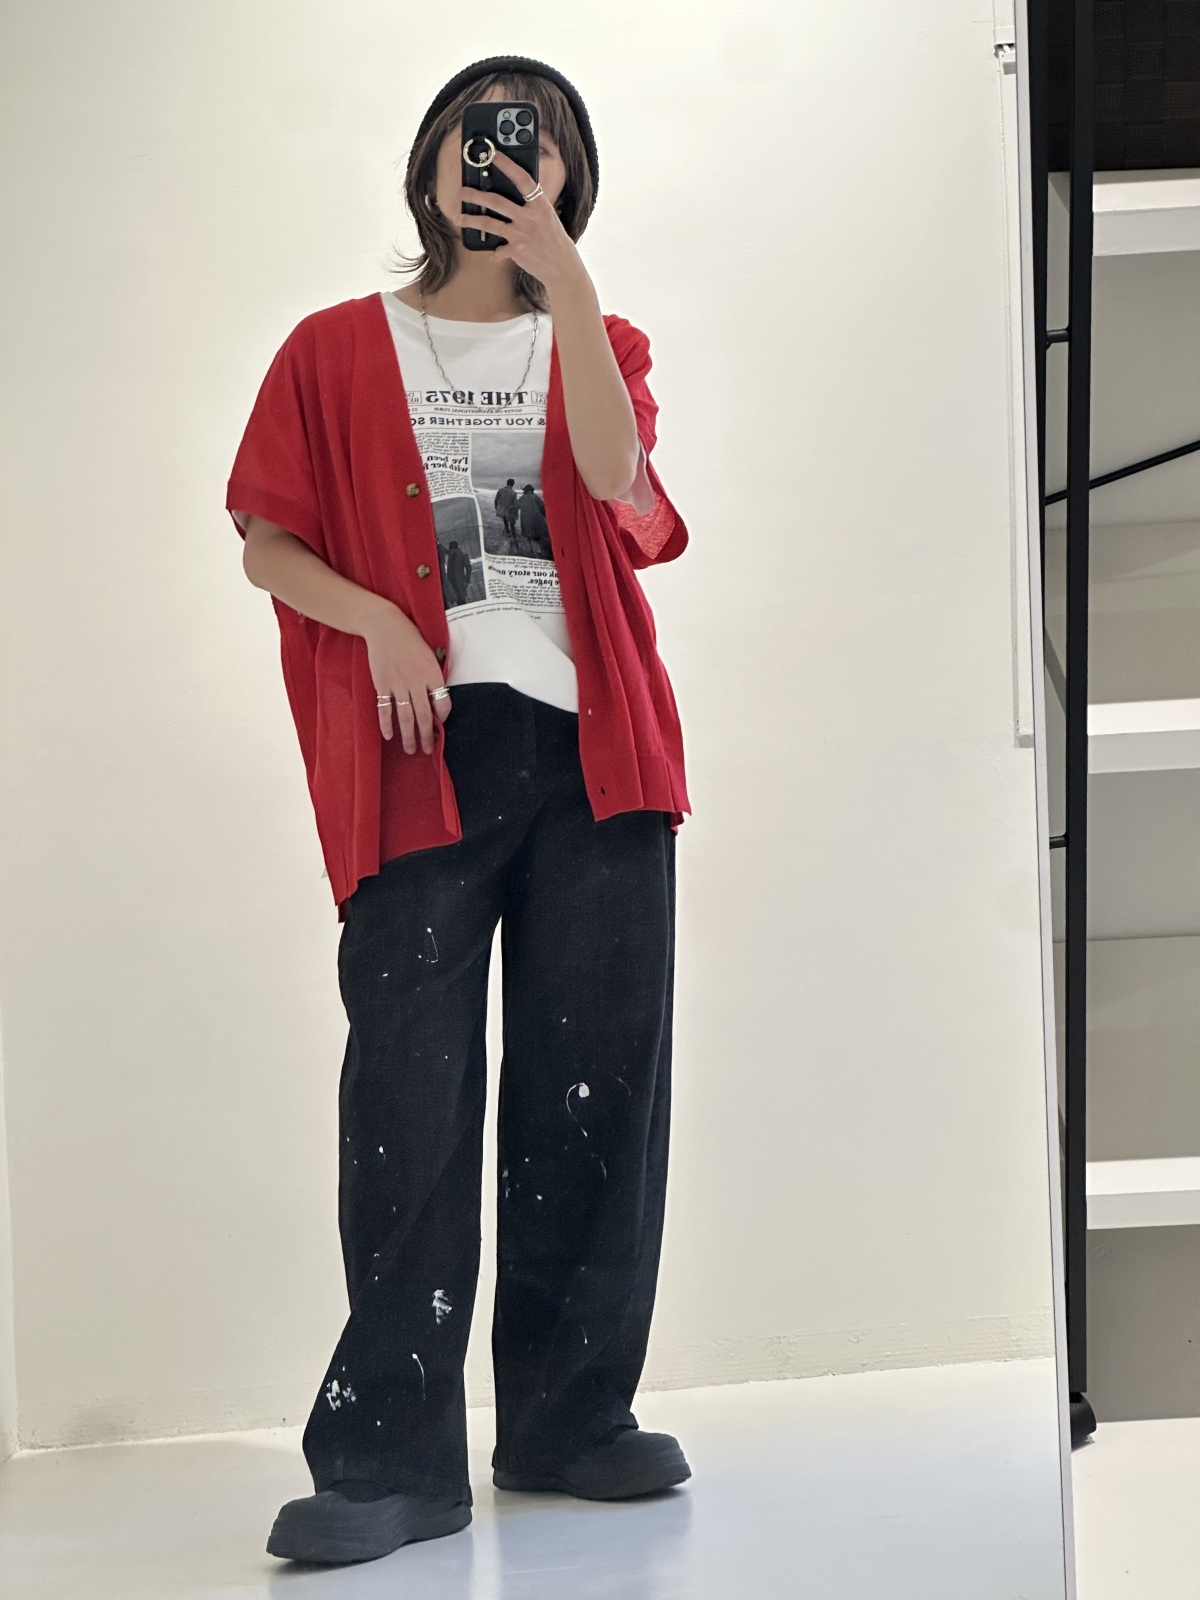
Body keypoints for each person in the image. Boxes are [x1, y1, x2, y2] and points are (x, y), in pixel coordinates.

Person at [226, 55, 691, 1568]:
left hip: (595, 759)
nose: (502, 162)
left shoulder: (596, 338)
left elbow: (619, 485)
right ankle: (388, 1457)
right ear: (432, 161)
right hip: (418, 750)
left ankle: (569, 1420)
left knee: (592, 1093)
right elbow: (266, 540)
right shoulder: (332, 349)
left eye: (535, 147)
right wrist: (378, 620)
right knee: (409, 1103)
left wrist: (570, 285)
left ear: (567, 180)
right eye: (481, 136)